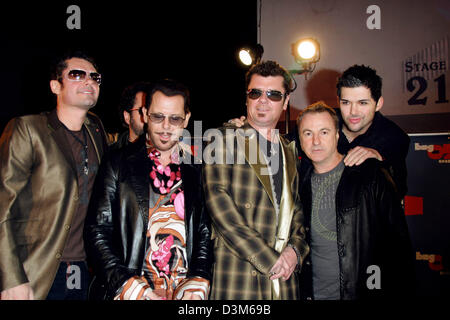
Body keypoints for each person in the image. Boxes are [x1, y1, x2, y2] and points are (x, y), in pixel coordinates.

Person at [84, 79, 213, 300]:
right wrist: (125, 284)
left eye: (175, 118)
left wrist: (198, 278)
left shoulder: (195, 168)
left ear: (186, 119)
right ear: (145, 114)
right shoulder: (117, 162)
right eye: (158, 116)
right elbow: (97, 230)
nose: (166, 126)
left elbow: (203, 232)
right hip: (130, 292)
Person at [0, 51, 109, 300]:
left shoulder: (95, 129)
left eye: (94, 77)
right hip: (40, 267)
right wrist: (11, 277)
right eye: (77, 75)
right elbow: (4, 206)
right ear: (55, 85)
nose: (88, 81)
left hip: (85, 268)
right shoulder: (28, 129)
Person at [203, 60, 308, 300]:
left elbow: (298, 211)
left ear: (286, 102)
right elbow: (220, 208)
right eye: (256, 92)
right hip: (239, 275)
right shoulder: (223, 139)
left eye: (273, 94)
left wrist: (295, 252)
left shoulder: (289, 149)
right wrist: (270, 259)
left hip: (285, 278)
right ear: (246, 97)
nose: (263, 100)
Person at [233, 65, 410, 198]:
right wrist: (249, 130)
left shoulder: (393, 137)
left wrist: (381, 159)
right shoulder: (326, 121)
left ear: (378, 103)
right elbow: (283, 143)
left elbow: (397, 191)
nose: (353, 112)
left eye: (363, 103)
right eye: (346, 102)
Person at [296, 101, 414, 300]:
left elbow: (399, 251)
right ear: (299, 139)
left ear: (337, 135)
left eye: (324, 132)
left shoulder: (370, 176)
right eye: (308, 133)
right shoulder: (298, 183)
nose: (316, 141)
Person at [111, 81, 151, 150]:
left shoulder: (169, 153)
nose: (147, 116)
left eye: (151, 111)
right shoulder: (112, 156)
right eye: (141, 111)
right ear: (127, 117)